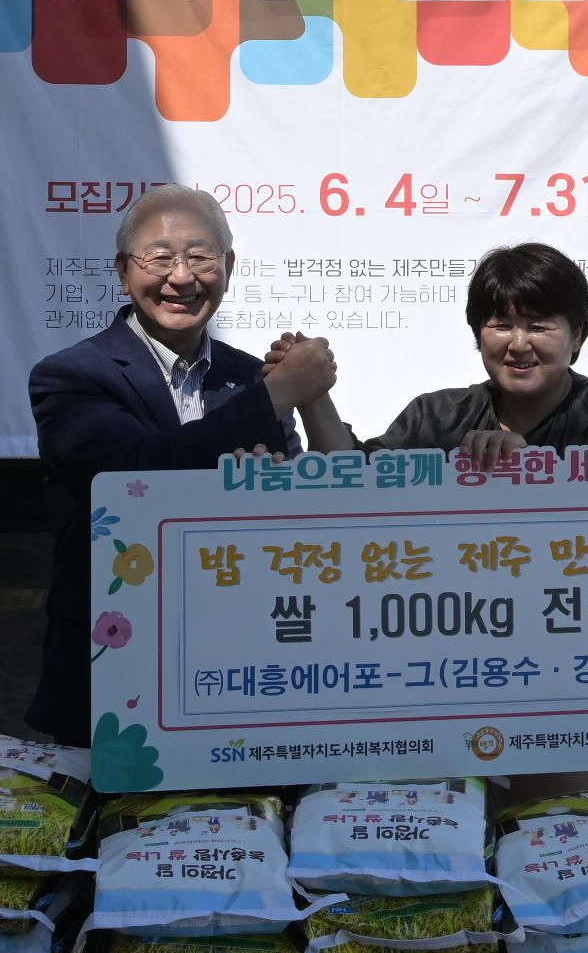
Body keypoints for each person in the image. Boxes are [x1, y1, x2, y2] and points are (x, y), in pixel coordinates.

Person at [25, 185, 349, 744]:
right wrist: (280, 394)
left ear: (229, 267)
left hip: (241, 657)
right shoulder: (70, 376)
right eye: (159, 258)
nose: (181, 277)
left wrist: (275, 471)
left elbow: (303, 503)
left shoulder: (248, 376)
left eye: (200, 257)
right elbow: (134, 473)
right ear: (123, 272)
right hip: (115, 665)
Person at [365, 242, 588, 468]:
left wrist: (529, 468)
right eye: (501, 326)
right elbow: (356, 483)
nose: (519, 344)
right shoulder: (435, 417)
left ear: (576, 335)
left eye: (538, 327)